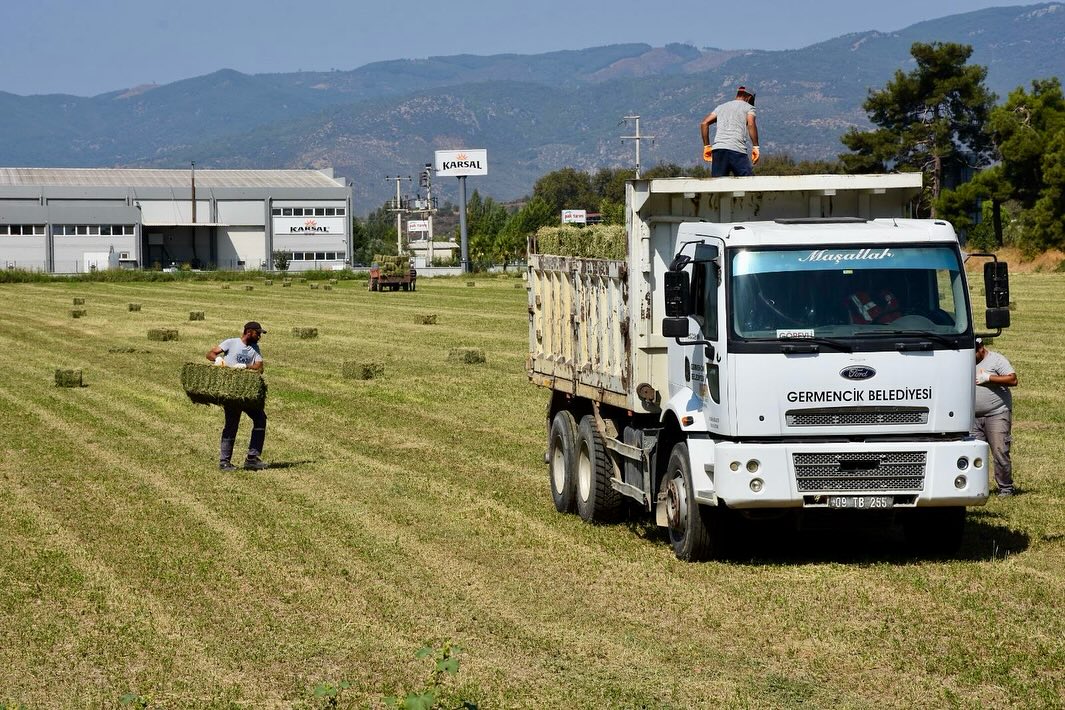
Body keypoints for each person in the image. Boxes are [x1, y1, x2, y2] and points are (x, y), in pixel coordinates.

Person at [206, 321, 268, 471]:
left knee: (260, 419)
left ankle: (252, 458)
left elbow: (260, 367)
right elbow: (210, 353)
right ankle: (224, 462)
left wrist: (245, 366)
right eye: (257, 333)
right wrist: (217, 359)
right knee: (232, 424)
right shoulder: (231, 342)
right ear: (248, 331)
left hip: (247, 393)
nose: (259, 336)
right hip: (230, 391)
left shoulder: (255, 348)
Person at [972, 338, 1019, 496]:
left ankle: (1005, 488)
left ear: (981, 347)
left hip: (997, 413)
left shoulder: (996, 360)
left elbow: (1013, 379)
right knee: (974, 453)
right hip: (972, 417)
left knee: (1000, 451)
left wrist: (989, 378)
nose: (971, 354)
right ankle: (976, 488)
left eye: (974, 350)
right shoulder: (964, 360)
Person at [700, 85, 760, 177]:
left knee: (718, 185)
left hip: (718, 150)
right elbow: (751, 124)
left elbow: (704, 123)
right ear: (749, 98)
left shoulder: (721, 107)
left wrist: (707, 146)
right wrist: (756, 147)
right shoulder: (749, 107)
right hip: (737, 150)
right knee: (748, 182)